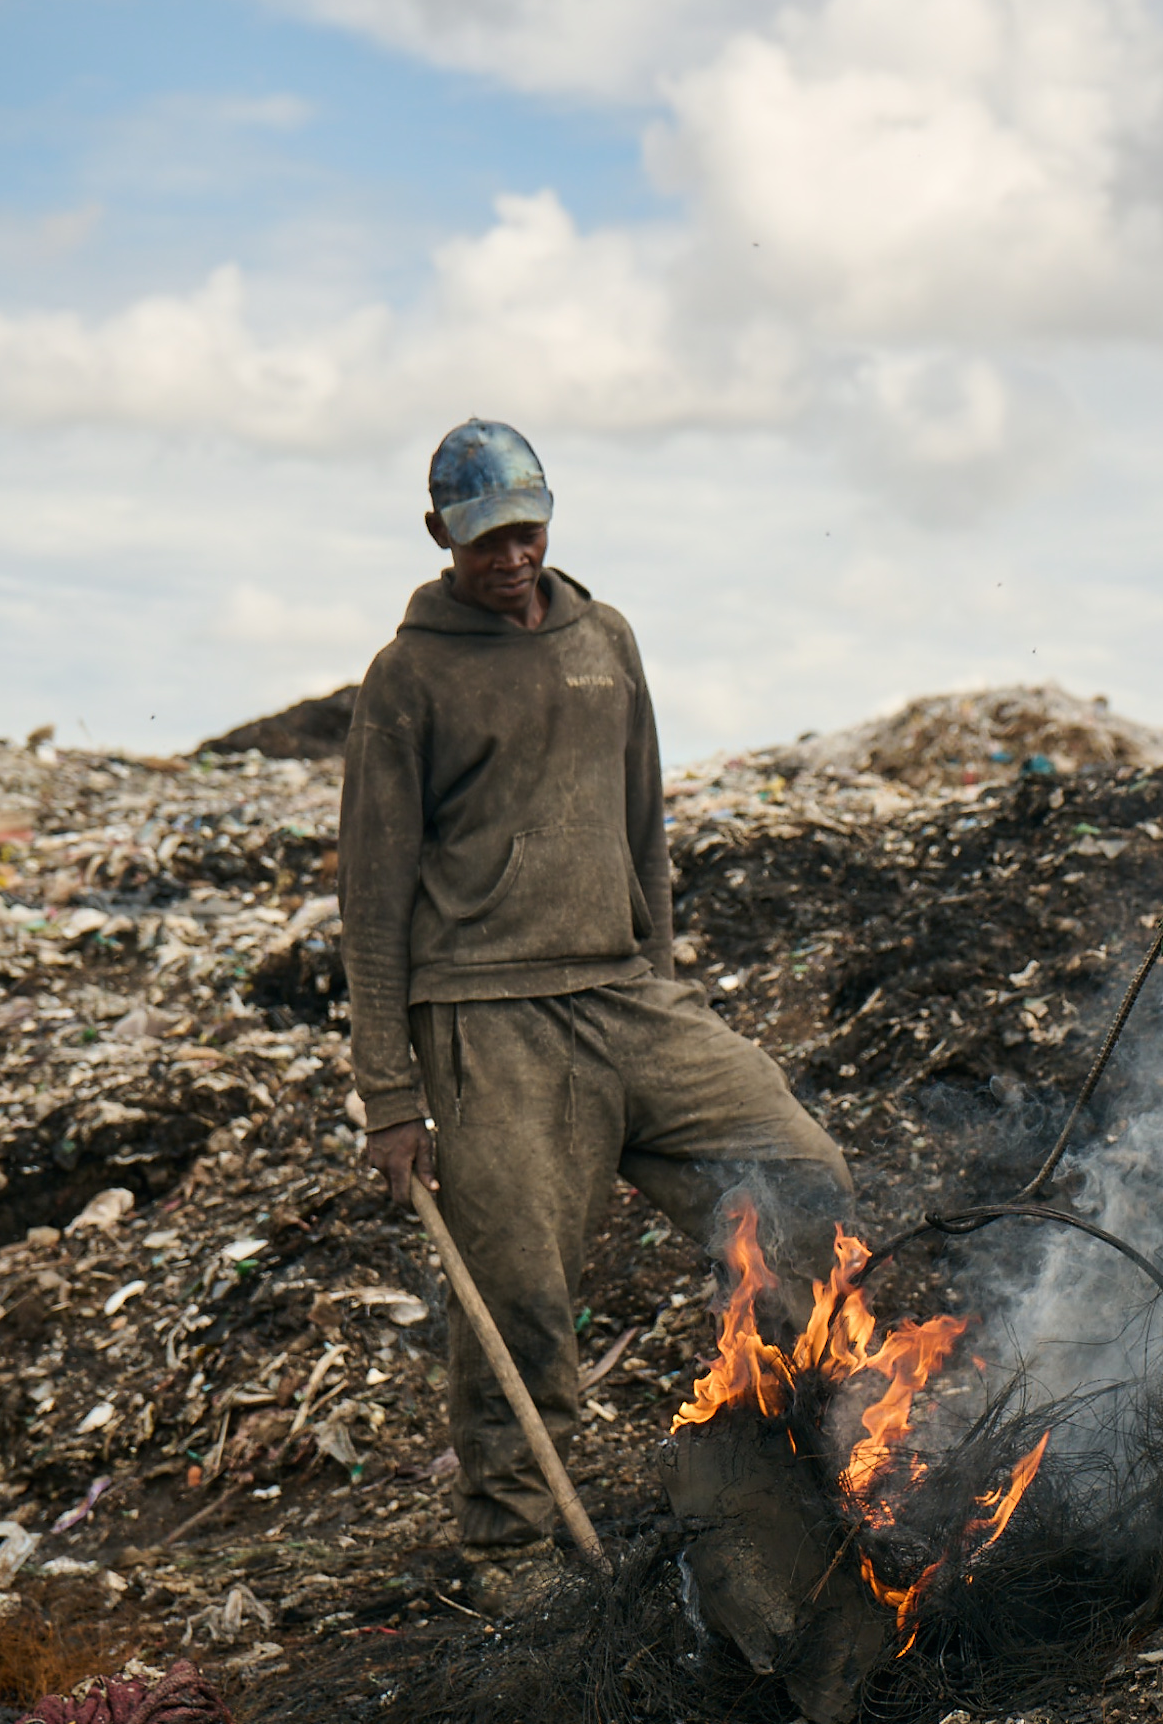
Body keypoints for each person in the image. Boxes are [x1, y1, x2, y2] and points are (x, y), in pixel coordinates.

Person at [343, 418, 853, 1551]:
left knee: (799, 1171)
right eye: (485, 541)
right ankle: (512, 1544)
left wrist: (659, 983)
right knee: (519, 1295)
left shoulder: (605, 639)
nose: (512, 557)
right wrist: (389, 1094)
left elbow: (643, 827)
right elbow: (371, 898)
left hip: (625, 996)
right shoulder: (407, 677)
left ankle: (797, 1443)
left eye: (525, 530)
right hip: (487, 1018)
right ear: (439, 537)